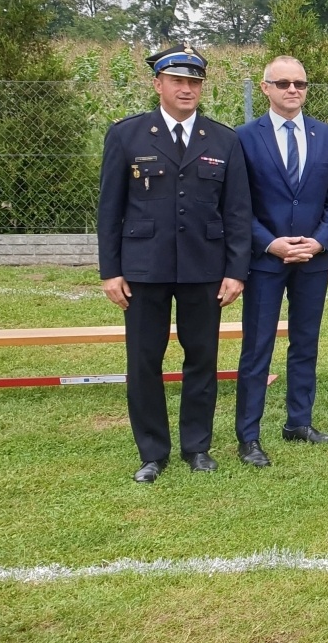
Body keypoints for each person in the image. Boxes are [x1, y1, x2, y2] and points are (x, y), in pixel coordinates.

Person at [98, 45, 251, 483]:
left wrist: (236, 270)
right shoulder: (127, 135)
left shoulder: (223, 140)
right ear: (158, 84)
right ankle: (152, 452)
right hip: (144, 267)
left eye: (194, 82)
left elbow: (237, 211)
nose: (187, 89)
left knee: (201, 358)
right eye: (177, 81)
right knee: (144, 360)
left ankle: (197, 447)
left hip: (204, 267)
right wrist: (111, 271)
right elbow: (109, 209)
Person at [234, 56, 328, 467]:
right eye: (283, 83)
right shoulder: (244, 138)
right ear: (266, 88)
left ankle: (298, 422)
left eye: (299, 83)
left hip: (312, 259)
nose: (292, 90)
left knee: (305, 343)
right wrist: (271, 244)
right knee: (257, 348)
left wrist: (320, 243)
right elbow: (238, 204)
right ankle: (249, 436)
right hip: (266, 260)